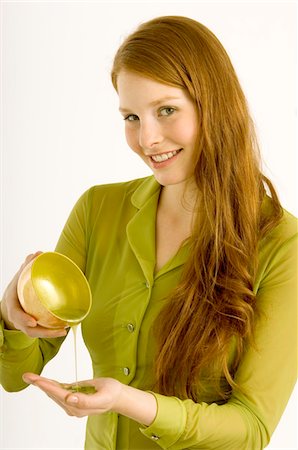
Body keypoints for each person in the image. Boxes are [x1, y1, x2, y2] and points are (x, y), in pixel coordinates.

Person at [0, 15, 297, 450]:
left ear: (214, 104)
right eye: (131, 117)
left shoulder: (281, 243)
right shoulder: (96, 210)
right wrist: (13, 316)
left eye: (166, 110)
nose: (147, 139)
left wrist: (129, 402)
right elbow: (14, 376)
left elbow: (251, 429)